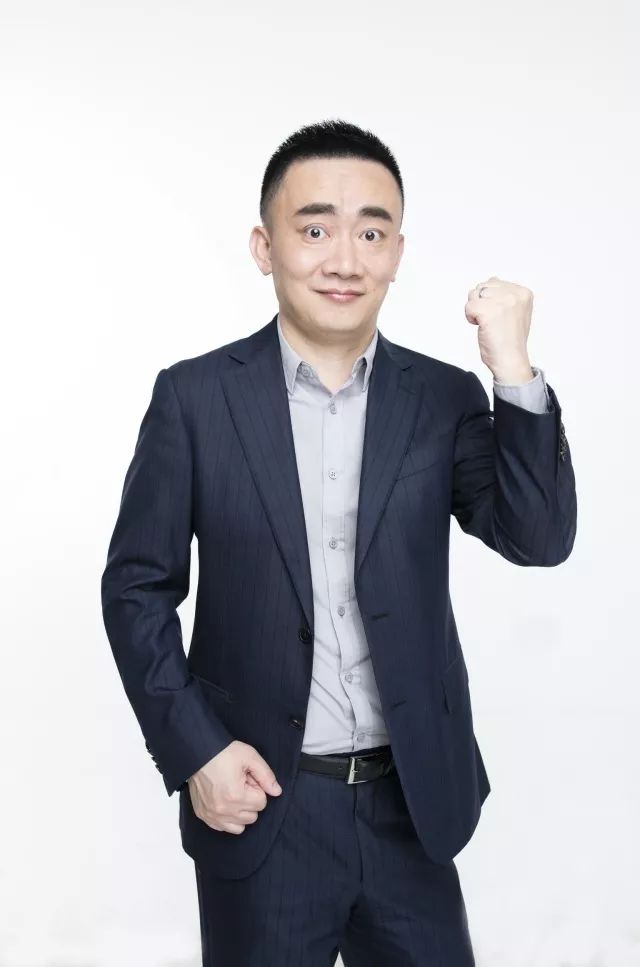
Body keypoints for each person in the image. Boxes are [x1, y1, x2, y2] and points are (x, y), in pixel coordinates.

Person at [101, 118, 577, 966]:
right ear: (265, 247)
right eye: (315, 230)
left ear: (398, 253)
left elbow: (538, 537)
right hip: (265, 805)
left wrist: (512, 368)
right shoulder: (195, 399)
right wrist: (197, 750)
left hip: (411, 806)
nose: (345, 260)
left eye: (372, 232)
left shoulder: (443, 397)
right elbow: (136, 587)